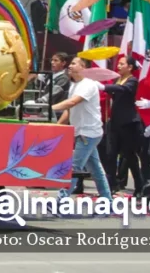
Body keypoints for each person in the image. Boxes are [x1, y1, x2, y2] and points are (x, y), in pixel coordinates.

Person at [51, 56, 112, 200]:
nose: (70, 66)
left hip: (88, 133)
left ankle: (60, 200)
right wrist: (57, 126)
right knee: (96, 170)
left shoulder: (88, 85)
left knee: (74, 168)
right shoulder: (74, 85)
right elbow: (69, 110)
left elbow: (72, 102)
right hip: (82, 132)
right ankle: (108, 201)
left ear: (83, 67)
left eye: (73, 63)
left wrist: (49, 108)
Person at [101, 56, 145, 194]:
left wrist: (104, 86)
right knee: (111, 155)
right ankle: (111, 186)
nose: (118, 66)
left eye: (122, 64)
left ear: (130, 67)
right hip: (115, 122)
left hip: (128, 124)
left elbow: (123, 90)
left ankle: (139, 186)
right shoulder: (117, 80)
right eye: (118, 64)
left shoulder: (132, 80)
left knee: (129, 156)